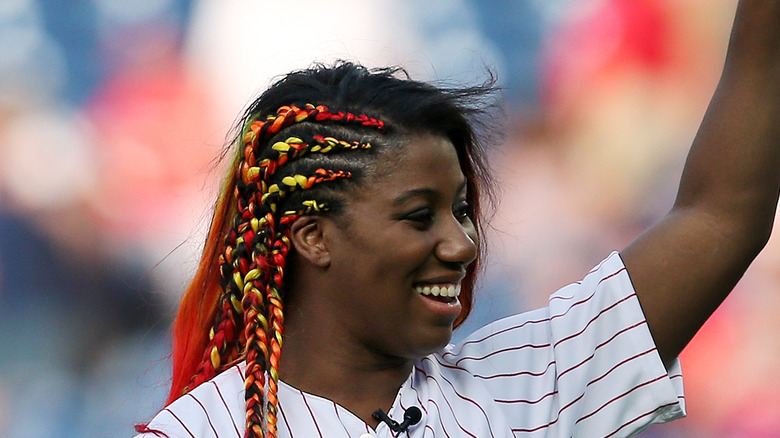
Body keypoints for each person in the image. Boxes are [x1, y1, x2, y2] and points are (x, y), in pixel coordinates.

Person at [135, 2, 780, 437]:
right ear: (314, 237)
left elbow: (720, 214)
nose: (463, 243)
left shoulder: (519, 389)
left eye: (464, 210)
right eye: (421, 217)